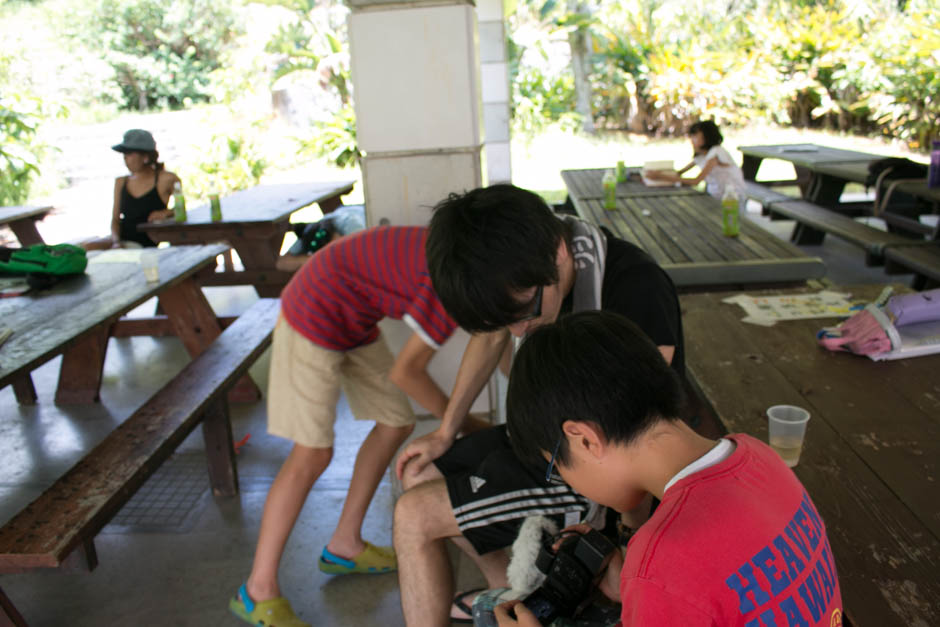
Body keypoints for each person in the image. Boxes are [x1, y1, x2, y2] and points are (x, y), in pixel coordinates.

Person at [393, 184, 684, 625]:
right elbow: (491, 335)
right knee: (420, 472)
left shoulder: (633, 288)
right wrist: (445, 431)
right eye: (504, 320)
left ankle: (520, 593)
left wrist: (628, 542)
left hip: (597, 463)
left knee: (414, 516)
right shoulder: (529, 275)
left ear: (559, 252)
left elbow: (638, 436)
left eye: (524, 314)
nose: (516, 333)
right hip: (548, 435)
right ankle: (510, 589)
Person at [492, 310, 843, 627]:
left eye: (555, 466)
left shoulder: (663, 562)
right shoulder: (760, 456)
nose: (568, 481)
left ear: (584, 440)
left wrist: (647, 580)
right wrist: (632, 583)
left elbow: (682, 574)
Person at [230, 226, 461, 627]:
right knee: (313, 453)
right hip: (312, 312)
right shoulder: (454, 285)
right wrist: (459, 422)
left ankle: (344, 544)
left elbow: (495, 341)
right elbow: (409, 373)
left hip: (351, 316)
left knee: (395, 421)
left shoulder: (466, 253)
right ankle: (257, 590)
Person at [84, 129, 180, 250]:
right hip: (120, 240)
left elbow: (181, 209)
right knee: (81, 248)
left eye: (129, 154)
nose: (125, 158)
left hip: (146, 243)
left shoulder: (167, 179)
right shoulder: (121, 182)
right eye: (124, 155)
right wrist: (116, 242)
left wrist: (167, 213)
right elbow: (115, 219)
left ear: (145, 157)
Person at [646, 120, 745, 199]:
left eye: (695, 136)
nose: (692, 140)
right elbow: (679, 173)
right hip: (715, 196)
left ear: (707, 137)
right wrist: (660, 173)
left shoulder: (716, 153)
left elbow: (696, 181)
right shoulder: (702, 155)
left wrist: (660, 176)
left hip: (732, 199)